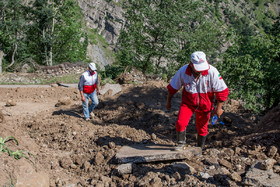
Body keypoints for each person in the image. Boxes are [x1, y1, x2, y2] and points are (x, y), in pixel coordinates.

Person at [166, 51, 229, 151]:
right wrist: (168, 101)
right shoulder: (183, 71)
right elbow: (173, 87)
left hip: (205, 103)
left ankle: (200, 148)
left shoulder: (212, 71)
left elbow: (221, 90)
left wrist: (219, 108)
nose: (200, 71)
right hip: (188, 102)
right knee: (180, 122)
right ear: (191, 64)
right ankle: (181, 143)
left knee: (202, 127)